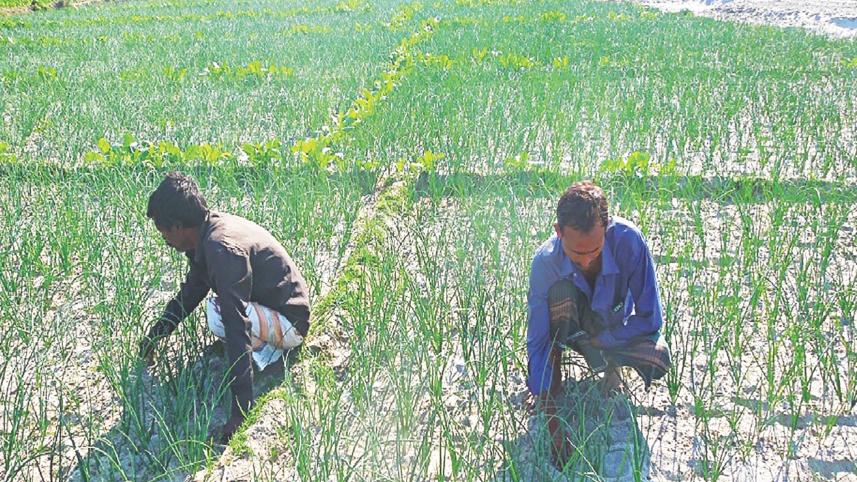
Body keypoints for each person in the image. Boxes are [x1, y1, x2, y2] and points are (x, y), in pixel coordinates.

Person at [139, 172, 311, 443]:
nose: (167, 243)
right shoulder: (207, 233)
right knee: (217, 310)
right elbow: (191, 292)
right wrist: (155, 336)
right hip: (272, 307)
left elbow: (236, 323)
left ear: (178, 227)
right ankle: (266, 350)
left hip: (290, 322)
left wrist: (240, 412)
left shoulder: (222, 250)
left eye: (165, 236)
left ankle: (273, 356)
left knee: (220, 313)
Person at [526, 180, 671, 467]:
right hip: (570, 329)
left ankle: (612, 368)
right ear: (558, 232)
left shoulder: (629, 241)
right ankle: (553, 389)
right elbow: (538, 341)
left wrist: (604, 341)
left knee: (658, 358)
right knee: (559, 295)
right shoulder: (545, 262)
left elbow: (650, 319)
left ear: (607, 227)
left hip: (613, 331)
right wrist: (551, 415)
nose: (586, 260)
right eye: (576, 253)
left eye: (594, 250)